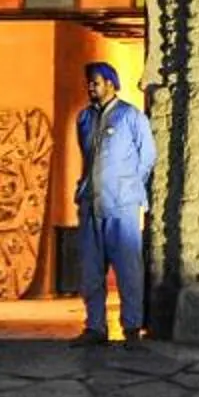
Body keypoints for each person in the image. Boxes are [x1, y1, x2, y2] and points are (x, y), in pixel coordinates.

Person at [70, 61, 156, 345]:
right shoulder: (84, 119)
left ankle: (131, 328)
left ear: (110, 83)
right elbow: (87, 158)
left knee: (128, 270)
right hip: (92, 203)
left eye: (96, 82)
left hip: (122, 206)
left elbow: (147, 157)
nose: (91, 87)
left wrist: (129, 187)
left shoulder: (131, 117)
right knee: (91, 270)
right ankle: (95, 327)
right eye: (89, 82)